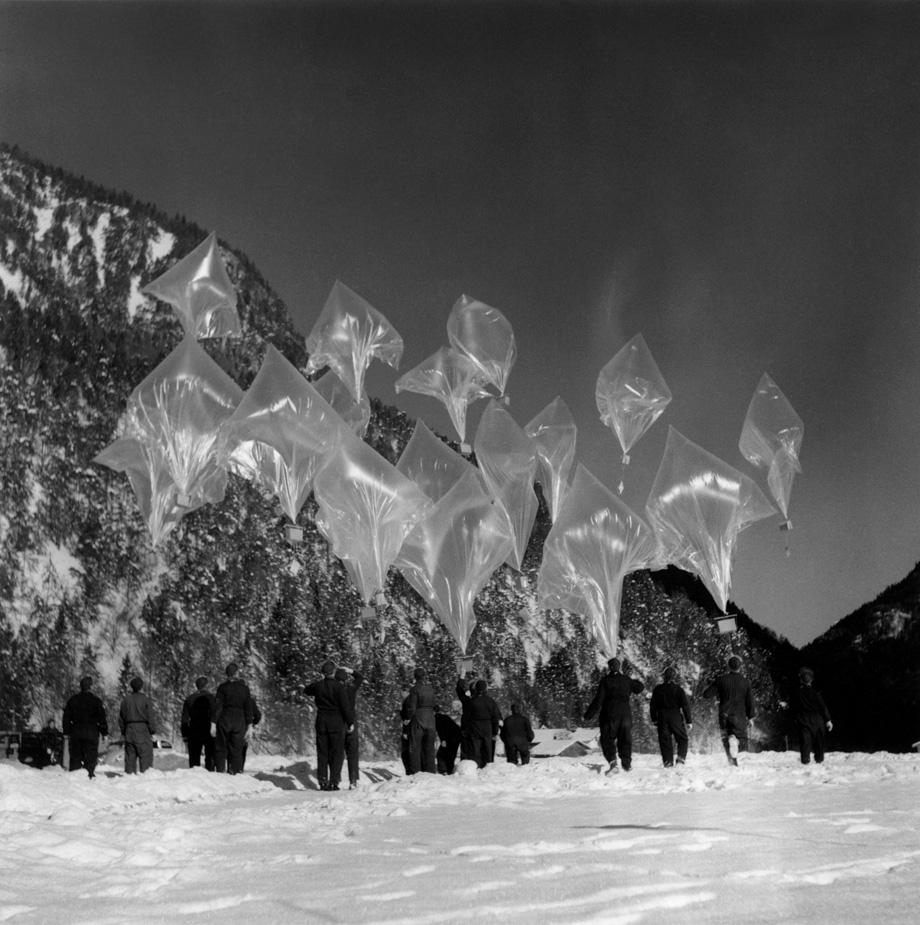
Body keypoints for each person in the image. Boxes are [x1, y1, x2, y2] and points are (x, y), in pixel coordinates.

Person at [583, 657, 644, 773]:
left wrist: (588, 715)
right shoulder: (626, 680)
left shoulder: (605, 681)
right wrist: (631, 680)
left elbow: (598, 700)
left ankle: (613, 762)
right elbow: (640, 688)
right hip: (625, 715)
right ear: (619, 667)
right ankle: (626, 764)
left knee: (607, 739)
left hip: (609, 715)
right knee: (625, 739)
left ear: (609, 667)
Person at [303, 661, 354, 791]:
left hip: (321, 722)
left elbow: (306, 690)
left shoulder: (318, 686)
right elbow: (345, 707)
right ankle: (334, 781)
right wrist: (350, 722)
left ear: (323, 673)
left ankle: (322, 781)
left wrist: (319, 682)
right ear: (334, 671)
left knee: (322, 753)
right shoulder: (339, 687)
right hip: (336, 723)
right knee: (337, 753)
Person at [703, 655, 755, 766]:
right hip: (739, 716)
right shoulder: (745, 682)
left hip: (724, 715)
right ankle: (737, 762)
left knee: (726, 738)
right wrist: (751, 717)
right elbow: (750, 701)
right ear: (740, 667)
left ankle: (731, 762)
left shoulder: (721, 680)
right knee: (741, 739)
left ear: (728, 666)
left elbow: (706, 694)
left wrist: (715, 687)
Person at [213, 663, 257, 775]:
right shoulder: (244, 689)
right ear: (237, 673)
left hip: (225, 719)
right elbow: (248, 708)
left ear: (227, 674)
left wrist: (213, 722)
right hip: (240, 721)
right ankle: (235, 772)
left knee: (221, 747)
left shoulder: (222, 688)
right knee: (236, 749)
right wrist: (250, 724)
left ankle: (220, 771)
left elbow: (218, 706)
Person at [63, 676, 108, 779]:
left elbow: (66, 717)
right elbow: (102, 718)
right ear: (90, 687)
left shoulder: (73, 700)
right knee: (90, 757)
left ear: (80, 687)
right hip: (91, 733)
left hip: (76, 732)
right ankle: (89, 775)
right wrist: (104, 732)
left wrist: (66, 732)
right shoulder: (96, 701)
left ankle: (75, 777)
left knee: (75, 757)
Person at [649, 666, 693, 768]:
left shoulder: (658, 689)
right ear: (674, 677)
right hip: (675, 716)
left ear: (664, 677)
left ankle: (668, 762)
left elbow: (653, 705)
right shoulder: (679, 689)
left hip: (662, 717)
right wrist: (688, 721)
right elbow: (685, 706)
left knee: (665, 741)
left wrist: (654, 719)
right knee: (682, 739)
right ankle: (680, 760)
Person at [788, 667, 833, 765]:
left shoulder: (797, 693)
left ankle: (806, 762)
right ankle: (819, 760)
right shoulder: (816, 693)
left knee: (805, 742)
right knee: (819, 742)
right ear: (811, 680)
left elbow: (793, 708)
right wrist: (828, 720)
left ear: (800, 680)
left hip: (803, 720)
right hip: (818, 720)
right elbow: (823, 707)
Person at [458, 678, 502, 768]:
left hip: (475, 727)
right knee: (487, 749)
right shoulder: (490, 701)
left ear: (476, 689)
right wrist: (495, 731)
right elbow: (495, 717)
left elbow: (467, 717)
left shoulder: (471, 701)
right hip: (487, 727)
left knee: (475, 749)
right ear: (486, 689)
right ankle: (488, 767)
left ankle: (476, 766)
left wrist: (466, 729)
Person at [119, 676, 156, 774]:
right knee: (146, 759)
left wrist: (124, 731)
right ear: (141, 687)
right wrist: (152, 730)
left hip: (129, 731)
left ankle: (130, 780)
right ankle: (145, 782)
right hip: (143, 731)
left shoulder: (125, 700)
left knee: (130, 759)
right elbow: (150, 717)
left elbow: (121, 718)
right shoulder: (146, 700)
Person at [405, 667, 438, 774]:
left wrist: (408, 718)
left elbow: (412, 706)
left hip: (418, 719)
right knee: (429, 748)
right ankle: (430, 771)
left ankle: (416, 772)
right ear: (424, 676)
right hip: (431, 720)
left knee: (415, 747)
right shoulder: (430, 689)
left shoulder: (415, 689)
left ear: (415, 677)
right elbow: (435, 705)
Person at [335, 667, 364, 788]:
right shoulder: (351, 688)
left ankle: (336, 778)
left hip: (338, 722)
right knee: (352, 753)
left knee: (338, 752)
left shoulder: (334, 689)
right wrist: (350, 670)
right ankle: (353, 780)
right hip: (351, 721)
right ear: (347, 679)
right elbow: (360, 677)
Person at [180, 676, 216, 771]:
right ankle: (210, 773)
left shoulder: (189, 699)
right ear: (207, 685)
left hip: (194, 729)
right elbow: (216, 715)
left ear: (196, 686)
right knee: (210, 756)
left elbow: (184, 719)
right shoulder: (212, 698)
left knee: (194, 758)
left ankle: (194, 777)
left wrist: (185, 734)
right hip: (209, 729)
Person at [435, 705, 462, 774]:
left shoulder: (437, 718)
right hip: (457, 736)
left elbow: (441, 730)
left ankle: (442, 770)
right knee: (451, 754)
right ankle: (449, 770)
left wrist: (443, 740)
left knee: (440, 755)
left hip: (450, 737)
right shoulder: (444, 717)